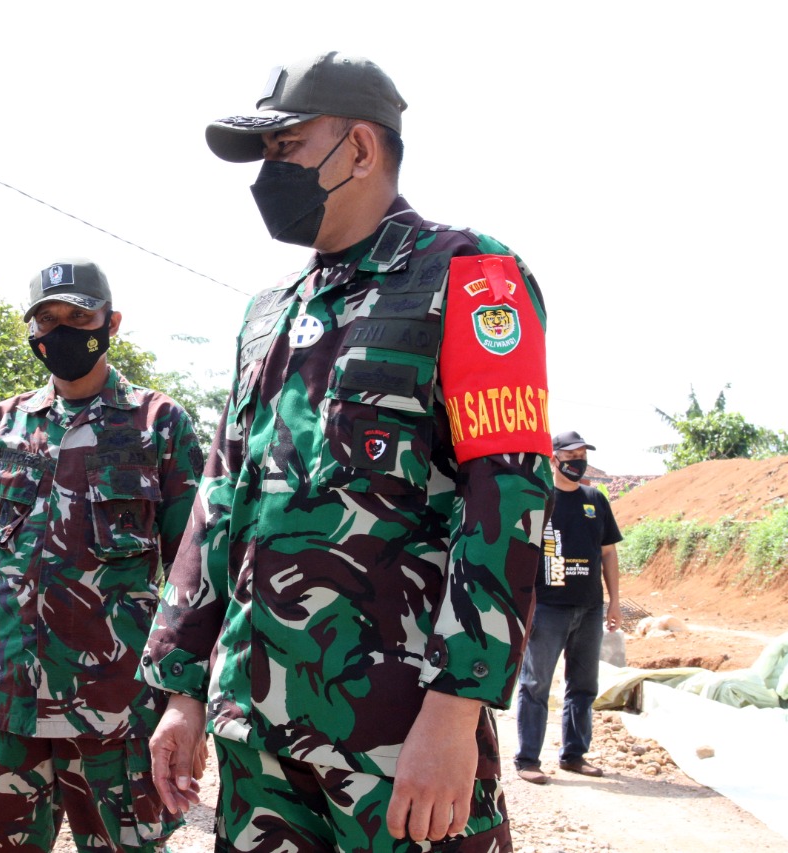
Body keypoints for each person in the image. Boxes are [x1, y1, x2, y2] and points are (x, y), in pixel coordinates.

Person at [138, 52, 555, 851]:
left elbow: (507, 498)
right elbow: (218, 504)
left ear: (360, 148)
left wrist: (454, 710)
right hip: (257, 741)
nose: (269, 172)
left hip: (394, 735)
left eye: (286, 147)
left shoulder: (468, 277)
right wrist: (183, 691)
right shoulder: (269, 314)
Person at [0, 258, 204, 852]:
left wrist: (184, 696)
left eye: (78, 316)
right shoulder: (0, 428)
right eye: (48, 319)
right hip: (8, 709)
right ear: (33, 331)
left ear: (110, 322)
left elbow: (195, 571)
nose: (62, 330)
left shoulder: (158, 425)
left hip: (114, 710)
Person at [514, 430, 622, 784]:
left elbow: (608, 553)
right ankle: (528, 759)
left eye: (582, 457)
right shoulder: (539, 499)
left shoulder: (595, 499)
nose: (578, 463)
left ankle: (574, 754)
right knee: (535, 684)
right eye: (571, 457)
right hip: (548, 608)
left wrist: (614, 603)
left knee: (583, 685)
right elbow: (521, 555)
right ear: (554, 459)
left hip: (589, 608)